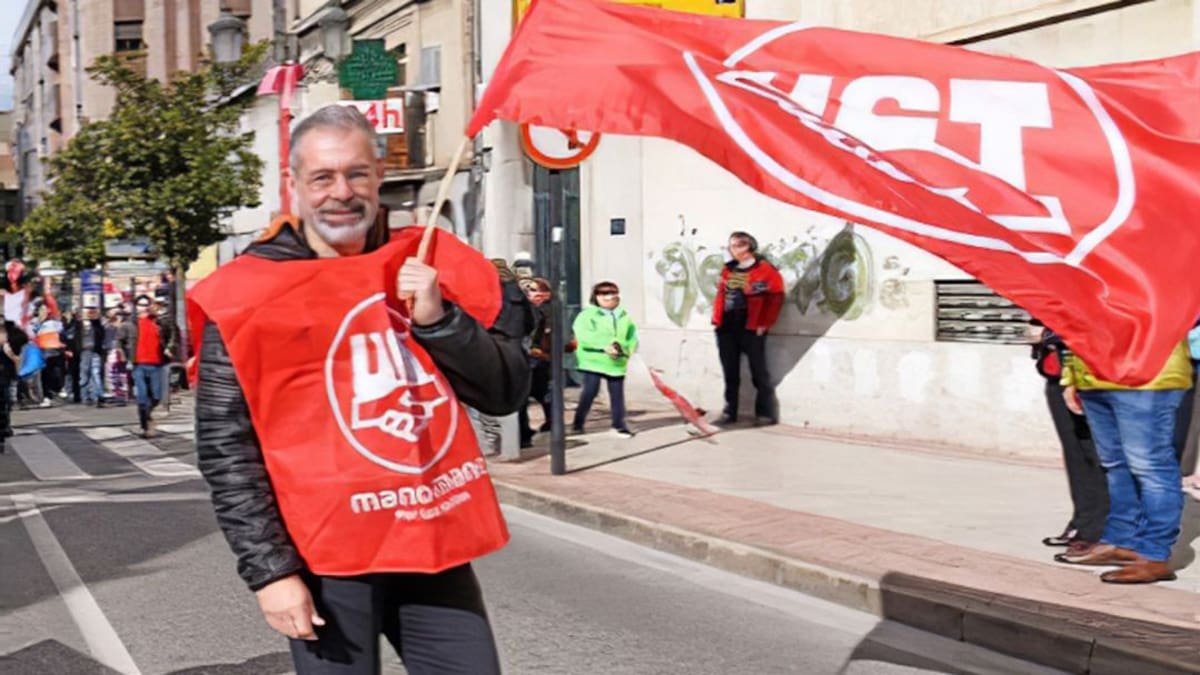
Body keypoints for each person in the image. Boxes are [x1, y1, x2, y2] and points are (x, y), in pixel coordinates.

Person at [193, 104, 528, 674]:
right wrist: (270, 572)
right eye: (322, 177)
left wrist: (439, 321)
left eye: (355, 173)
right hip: (324, 557)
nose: (340, 192)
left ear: (378, 176)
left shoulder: (425, 263)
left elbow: (505, 392)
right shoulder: (249, 294)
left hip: (428, 537)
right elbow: (227, 447)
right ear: (295, 186)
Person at [1056, 339, 1193, 583]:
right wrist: (1071, 376)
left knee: (1151, 467)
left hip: (1147, 374)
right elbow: (1078, 321)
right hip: (1093, 374)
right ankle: (1121, 541)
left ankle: (1154, 555)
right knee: (1115, 466)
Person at [1029, 320, 1108, 553]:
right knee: (1076, 454)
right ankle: (1083, 521)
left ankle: (1099, 529)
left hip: (1087, 374)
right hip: (1057, 375)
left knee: (1097, 455)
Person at [711, 231, 785, 426]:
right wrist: (717, 320)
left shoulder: (766, 270)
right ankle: (729, 412)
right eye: (731, 246)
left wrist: (764, 324)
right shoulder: (729, 269)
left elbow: (776, 298)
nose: (731, 250)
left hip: (751, 327)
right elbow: (722, 295)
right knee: (730, 372)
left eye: (735, 246)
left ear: (747, 247)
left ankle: (765, 413)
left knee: (758, 371)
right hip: (727, 326)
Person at [571, 281, 637, 437]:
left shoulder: (624, 315)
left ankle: (619, 425)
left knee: (617, 395)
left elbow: (631, 337)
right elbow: (583, 335)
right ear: (596, 297)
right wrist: (604, 346)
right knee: (589, 392)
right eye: (604, 294)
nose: (609, 297)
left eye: (613, 293)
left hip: (616, 361)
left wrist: (623, 348)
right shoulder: (587, 315)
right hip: (593, 360)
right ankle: (578, 421)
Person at [121, 295, 176, 436]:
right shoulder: (130, 323)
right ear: (136, 306)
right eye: (140, 304)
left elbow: (173, 333)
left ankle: (148, 416)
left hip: (157, 364)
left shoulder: (159, 322)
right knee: (142, 397)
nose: (143, 307)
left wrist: (169, 347)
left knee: (157, 396)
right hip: (138, 364)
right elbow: (119, 340)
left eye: (146, 304)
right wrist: (125, 357)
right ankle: (145, 425)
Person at [519, 277, 554, 447]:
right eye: (532, 291)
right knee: (540, 393)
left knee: (534, 394)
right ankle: (527, 432)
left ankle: (524, 434)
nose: (537, 295)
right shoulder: (534, 310)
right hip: (534, 357)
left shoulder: (541, 311)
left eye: (541, 292)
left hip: (535, 358)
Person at [72, 306, 105, 406]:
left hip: (95, 351)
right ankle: (85, 396)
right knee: (85, 374)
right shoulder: (77, 325)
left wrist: (96, 320)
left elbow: (101, 335)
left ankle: (98, 396)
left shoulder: (96, 325)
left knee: (95, 373)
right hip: (84, 352)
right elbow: (73, 336)